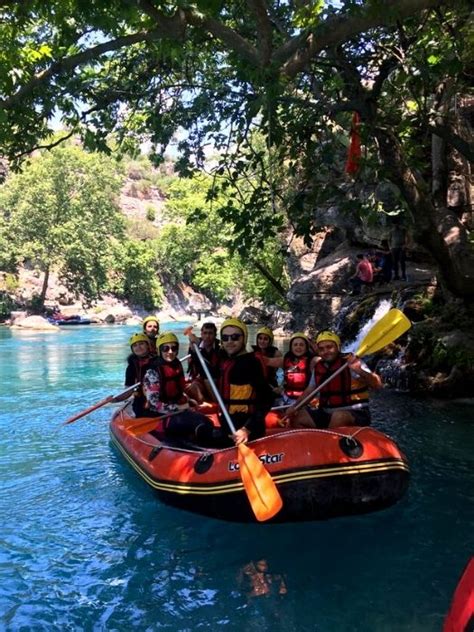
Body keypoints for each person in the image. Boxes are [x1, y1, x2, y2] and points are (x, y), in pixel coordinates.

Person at [285, 330, 382, 429]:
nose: (326, 351)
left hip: (355, 413)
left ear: (338, 347)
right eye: (321, 349)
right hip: (326, 412)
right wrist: (295, 407)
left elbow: (377, 385)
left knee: (338, 416)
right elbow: (310, 390)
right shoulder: (319, 367)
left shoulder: (351, 362)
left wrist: (359, 370)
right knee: (298, 417)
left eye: (329, 347)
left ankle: (327, 441)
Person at [143, 332, 214, 443]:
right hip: (160, 417)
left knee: (206, 422)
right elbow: (153, 404)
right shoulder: (152, 372)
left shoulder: (176, 365)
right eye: (165, 348)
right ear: (159, 350)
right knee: (200, 424)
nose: (170, 352)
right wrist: (178, 408)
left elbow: (178, 391)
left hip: (177, 412)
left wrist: (188, 400)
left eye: (174, 348)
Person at [213, 318, 274, 446]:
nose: (230, 341)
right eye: (225, 338)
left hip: (246, 431)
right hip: (229, 426)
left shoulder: (251, 363)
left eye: (235, 337)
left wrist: (247, 429)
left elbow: (268, 398)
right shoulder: (226, 360)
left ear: (244, 338)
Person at [186, 322, 221, 403]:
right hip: (201, 378)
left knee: (208, 380)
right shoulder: (195, 346)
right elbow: (192, 367)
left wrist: (202, 352)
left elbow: (213, 369)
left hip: (215, 379)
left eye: (210, 333)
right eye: (205, 333)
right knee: (194, 386)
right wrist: (193, 351)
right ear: (201, 334)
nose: (207, 336)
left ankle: (217, 404)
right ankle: (205, 404)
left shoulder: (220, 348)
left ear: (215, 335)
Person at [124, 332, 154, 418]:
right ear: (132, 349)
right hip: (142, 400)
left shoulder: (158, 361)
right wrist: (115, 399)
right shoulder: (131, 367)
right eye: (135, 345)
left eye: (141, 344)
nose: (138, 347)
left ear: (148, 345)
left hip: (160, 397)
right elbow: (128, 389)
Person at [251, 326, 282, 395]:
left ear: (270, 341)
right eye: (260, 338)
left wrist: (281, 387)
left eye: (265, 339)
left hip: (271, 386)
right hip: (256, 386)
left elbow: (285, 371)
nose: (262, 341)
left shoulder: (276, 353)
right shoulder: (253, 352)